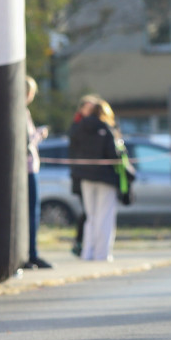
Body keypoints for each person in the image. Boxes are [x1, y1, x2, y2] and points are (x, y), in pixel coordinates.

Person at [69, 97, 125, 261]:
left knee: (90, 217)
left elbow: (72, 151)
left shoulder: (78, 128)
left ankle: (87, 253)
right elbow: (114, 155)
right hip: (105, 178)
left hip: (85, 177)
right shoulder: (107, 128)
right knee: (105, 216)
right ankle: (102, 254)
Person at [23, 75, 52, 270]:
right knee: (32, 213)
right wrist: (40, 134)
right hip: (27, 168)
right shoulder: (21, 112)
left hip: (27, 168)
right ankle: (31, 253)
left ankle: (30, 252)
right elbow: (27, 141)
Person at [69, 95, 100, 257]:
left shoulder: (98, 126)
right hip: (82, 176)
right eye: (87, 107)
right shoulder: (78, 126)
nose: (89, 111)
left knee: (94, 212)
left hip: (96, 175)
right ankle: (81, 243)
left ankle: (89, 244)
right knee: (87, 211)